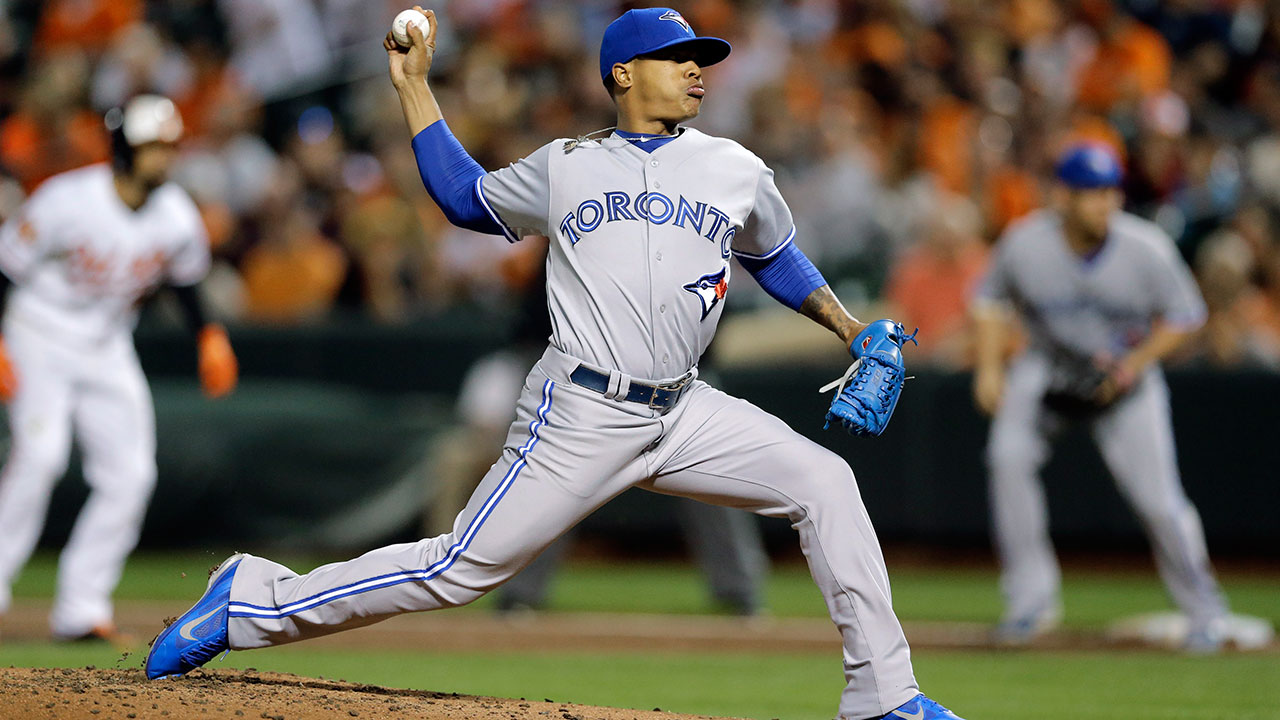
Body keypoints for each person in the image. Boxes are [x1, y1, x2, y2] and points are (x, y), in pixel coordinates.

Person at [146, 9, 965, 719]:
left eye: (704, 60)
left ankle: (882, 698)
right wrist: (414, 88)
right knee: (459, 569)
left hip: (685, 410)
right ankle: (251, 600)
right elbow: (465, 199)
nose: (697, 70)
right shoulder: (567, 164)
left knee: (827, 483)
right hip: (582, 408)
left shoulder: (734, 168)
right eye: (680, 58)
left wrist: (848, 327)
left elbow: (776, 256)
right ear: (622, 72)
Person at [971, 143, 1228, 651]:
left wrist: (1132, 365)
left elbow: (1186, 317)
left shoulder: (1146, 247)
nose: (1103, 204)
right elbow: (989, 301)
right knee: (1006, 459)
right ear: (1061, 196)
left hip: (1125, 380)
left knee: (1159, 501)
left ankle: (1205, 611)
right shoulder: (1026, 243)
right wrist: (989, 367)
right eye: (1091, 194)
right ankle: (1030, 603)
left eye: (1110, 192)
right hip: (1048, 369)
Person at [0, 95, 238, 642]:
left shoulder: (175, 212)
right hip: (38, 331)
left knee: (131, 475)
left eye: (169, 146)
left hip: (107, 342)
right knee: (41, 456)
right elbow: (8, 268)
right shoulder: (67, 200)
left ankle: (82, 609)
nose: (163, 158)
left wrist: (210, 335)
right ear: (123, 148)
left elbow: (185, 280)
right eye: (152, 146)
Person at [429, 256, 769, 616]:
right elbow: (539, 313)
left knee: (710, 477)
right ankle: (518, 592)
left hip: (674, 371)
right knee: (547, 478)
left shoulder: (684, 228)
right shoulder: (587, 216)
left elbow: (710, 308)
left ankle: (740, 592)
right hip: (577, 366)